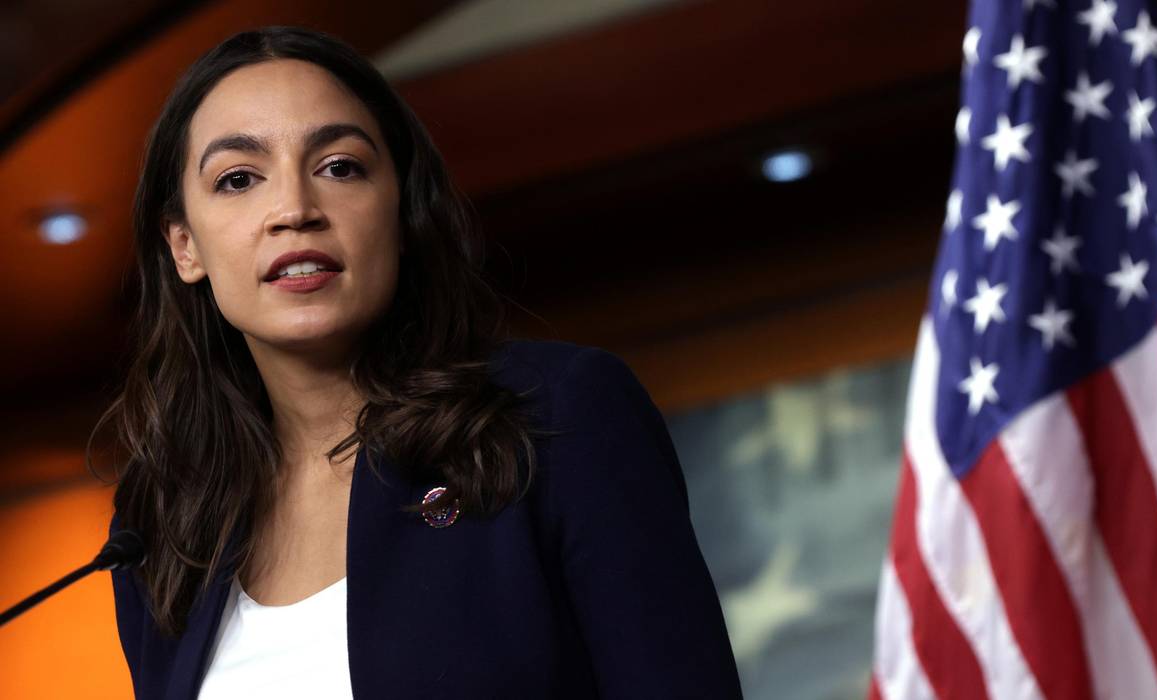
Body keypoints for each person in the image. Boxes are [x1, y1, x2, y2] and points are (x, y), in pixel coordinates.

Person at [91, 24, 742, 700]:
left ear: (400, 210)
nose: (293, 209)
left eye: (339, 167)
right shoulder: (161, 522)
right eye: (237, 179)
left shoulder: (558, 415)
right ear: (184, 247)